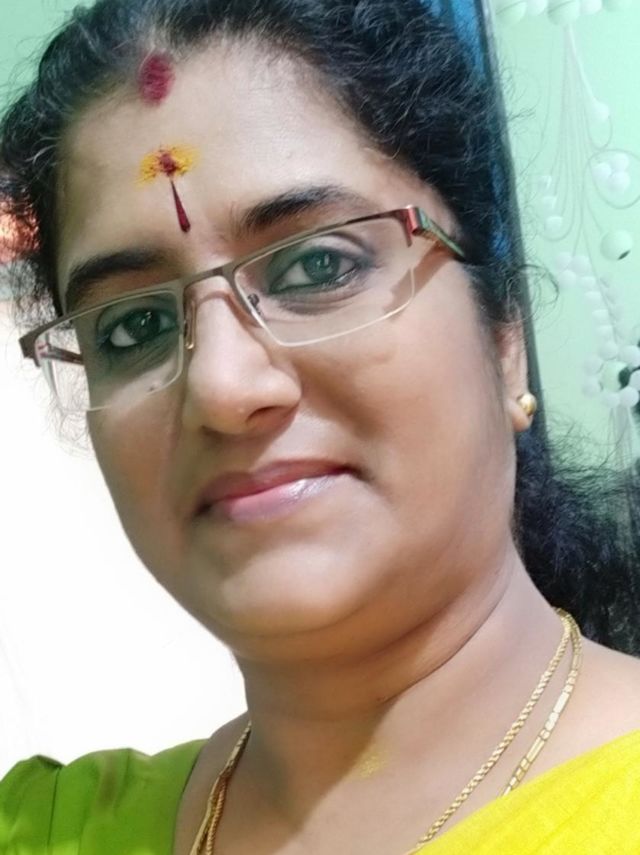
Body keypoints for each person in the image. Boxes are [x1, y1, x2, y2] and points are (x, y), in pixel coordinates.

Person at [1, 1, 640, 852]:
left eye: (317, 265)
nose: (222, 387)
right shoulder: (54, 830)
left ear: (504, 341)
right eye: (132, 326)